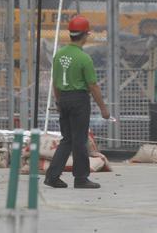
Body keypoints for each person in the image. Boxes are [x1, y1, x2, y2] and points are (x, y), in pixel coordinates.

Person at [44, 15, 109, 189]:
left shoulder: (59, 55)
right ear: (85, 35)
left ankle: (52, 176)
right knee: (80, 140)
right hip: (79, 100)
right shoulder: (84, 58)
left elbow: (55, 82)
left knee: (67, 139)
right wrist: (103, 109)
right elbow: (93, 86)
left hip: (63, 98)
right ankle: (81, 178)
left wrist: (59, 102)